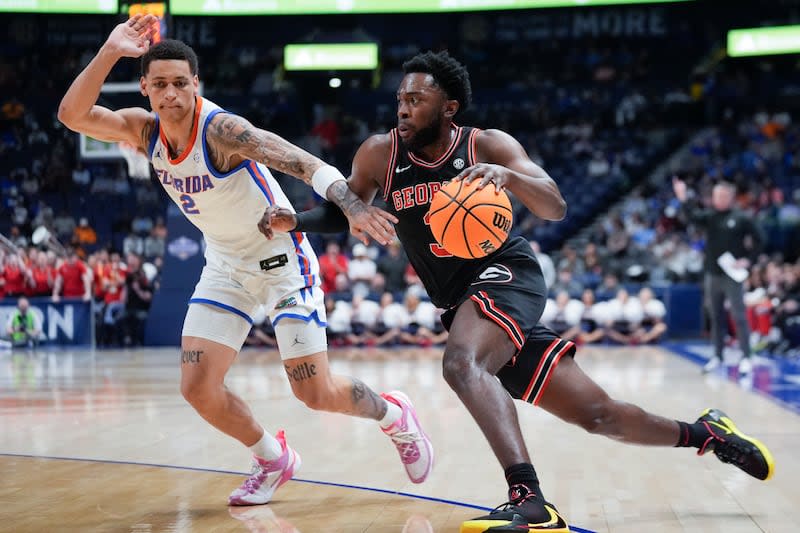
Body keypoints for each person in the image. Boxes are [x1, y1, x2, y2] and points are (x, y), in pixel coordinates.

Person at [261, 50, 774, 532]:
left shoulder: (486, 145)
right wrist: (297, 221)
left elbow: (554, 205)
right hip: (460, 301)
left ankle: (529, 500)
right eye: (400, 99)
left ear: (449, 107)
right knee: (599, 415)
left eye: (416, 101)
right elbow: (347, 205)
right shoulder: (380, 154)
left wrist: (509, 177)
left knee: (461, 364)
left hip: (507, 274)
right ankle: (709, 433)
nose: (403, 109)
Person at [57, 15, 432, 506]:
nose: (171, 94)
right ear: (145, 87)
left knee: (314, 393)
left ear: (196, 84)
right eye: (160, 84)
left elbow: (299, 160)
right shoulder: (142, 130)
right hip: (225, 265)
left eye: (180, 83)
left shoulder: (222, 130)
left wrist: (352, 204)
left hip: (281, 260)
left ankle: (394, 416)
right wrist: (109, 52)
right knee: (196, 386)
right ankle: (271, 458)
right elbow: (71, 115)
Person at [672, 178, 763, 374]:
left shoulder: (741, 218)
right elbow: (692, 217)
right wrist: (683, 197)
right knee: (715, 317)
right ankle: (717, 356)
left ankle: (746, 356)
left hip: (733, 276)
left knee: (739, 317)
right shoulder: (710, 216)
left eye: (723, 195)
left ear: (731, 197)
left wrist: (748, 259)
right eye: (716, 195)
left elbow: (760, 240)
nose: (719, 199)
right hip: (713, 274)